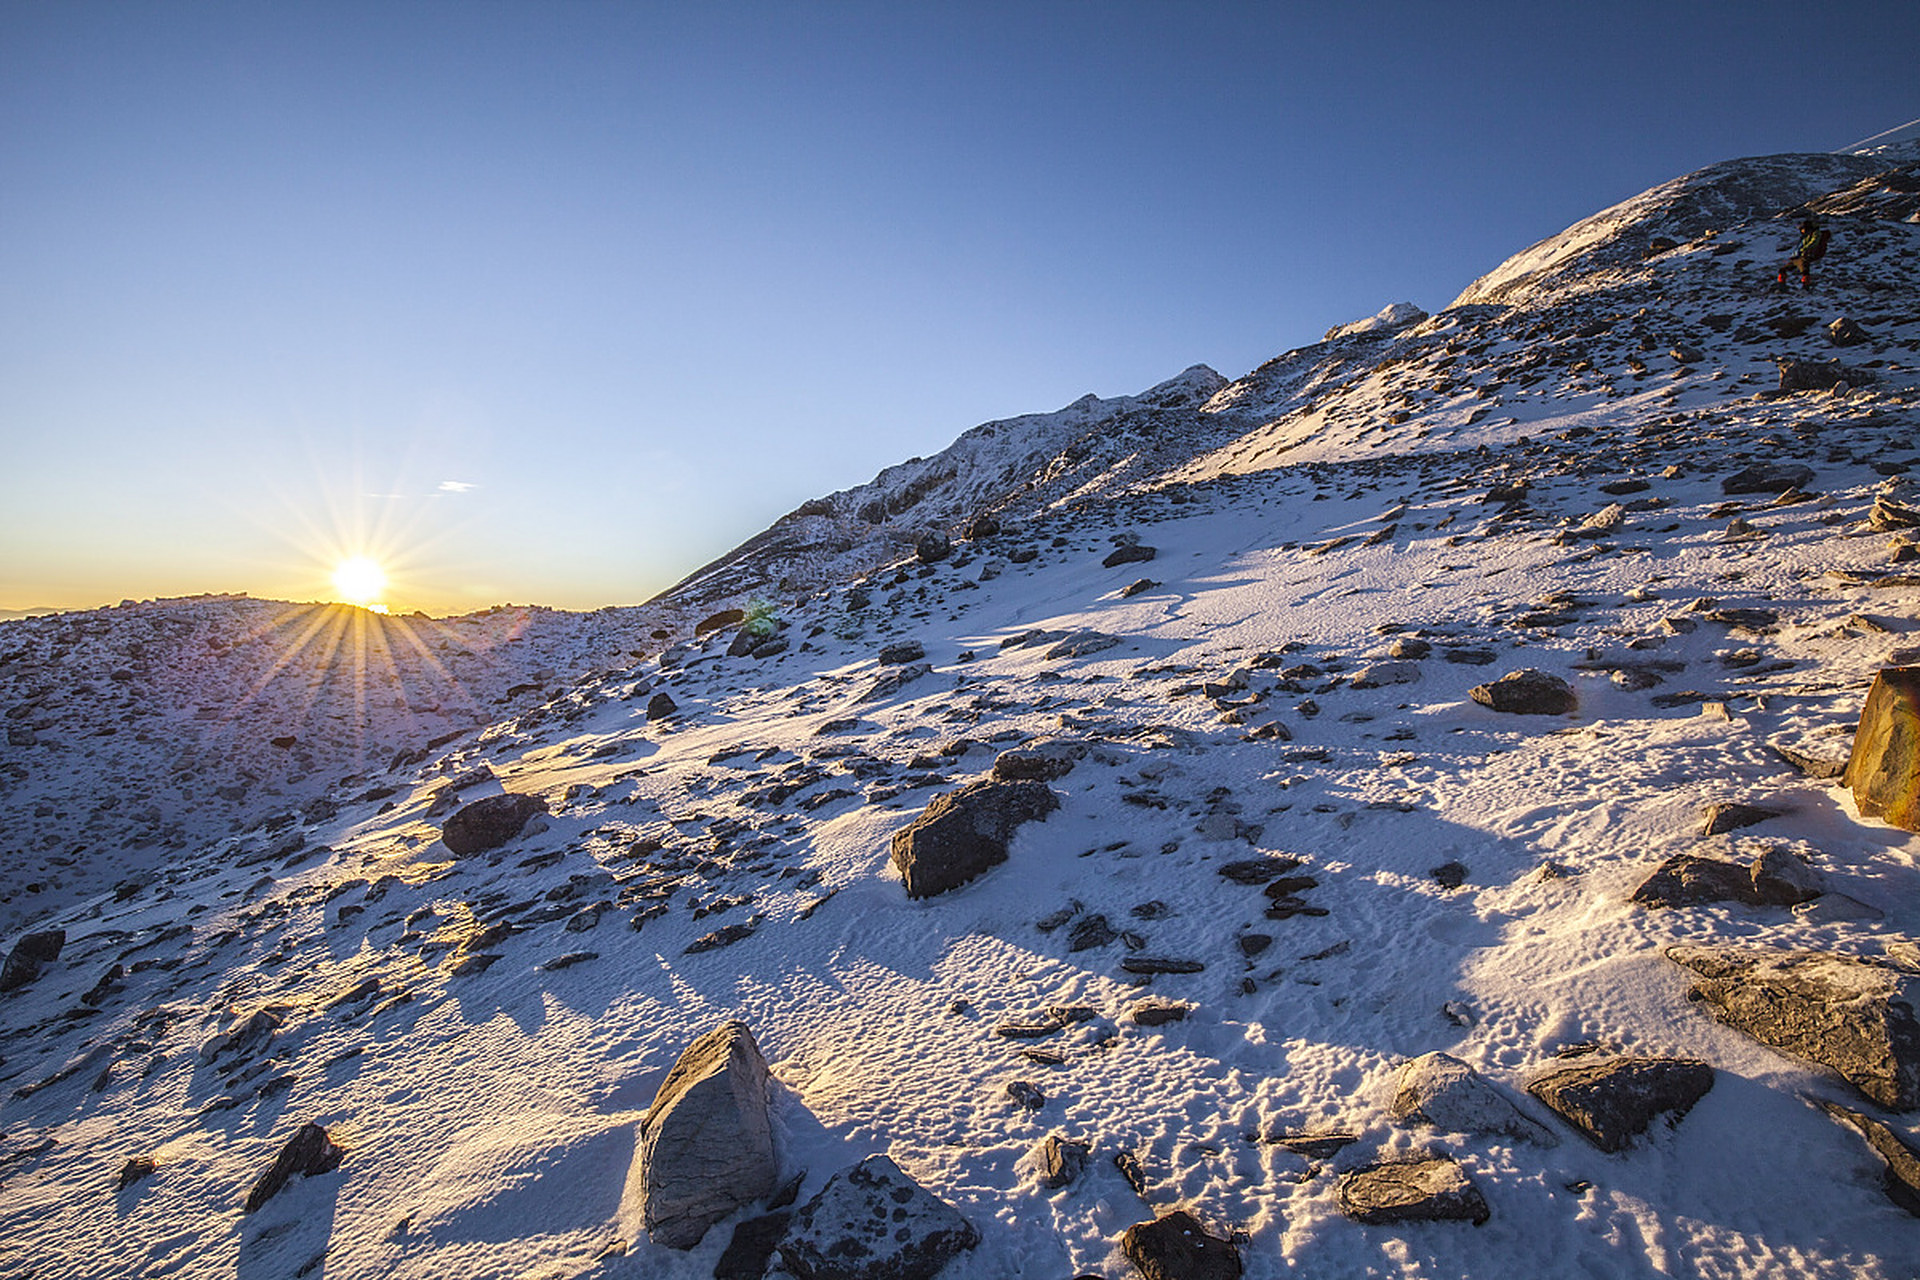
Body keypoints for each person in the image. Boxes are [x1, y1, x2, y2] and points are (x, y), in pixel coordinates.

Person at [1777, 217, 1830, 288]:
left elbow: (1814, 242)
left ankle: (1805, 286)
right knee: (1784, 269)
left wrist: (1804, 250)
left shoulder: (1815, 234)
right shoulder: (1807, 235)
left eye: (1802, 229)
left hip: (1805, 255)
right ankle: (1783, 285)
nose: (1801, 231)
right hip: (1799, 256)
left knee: (1804, 270)